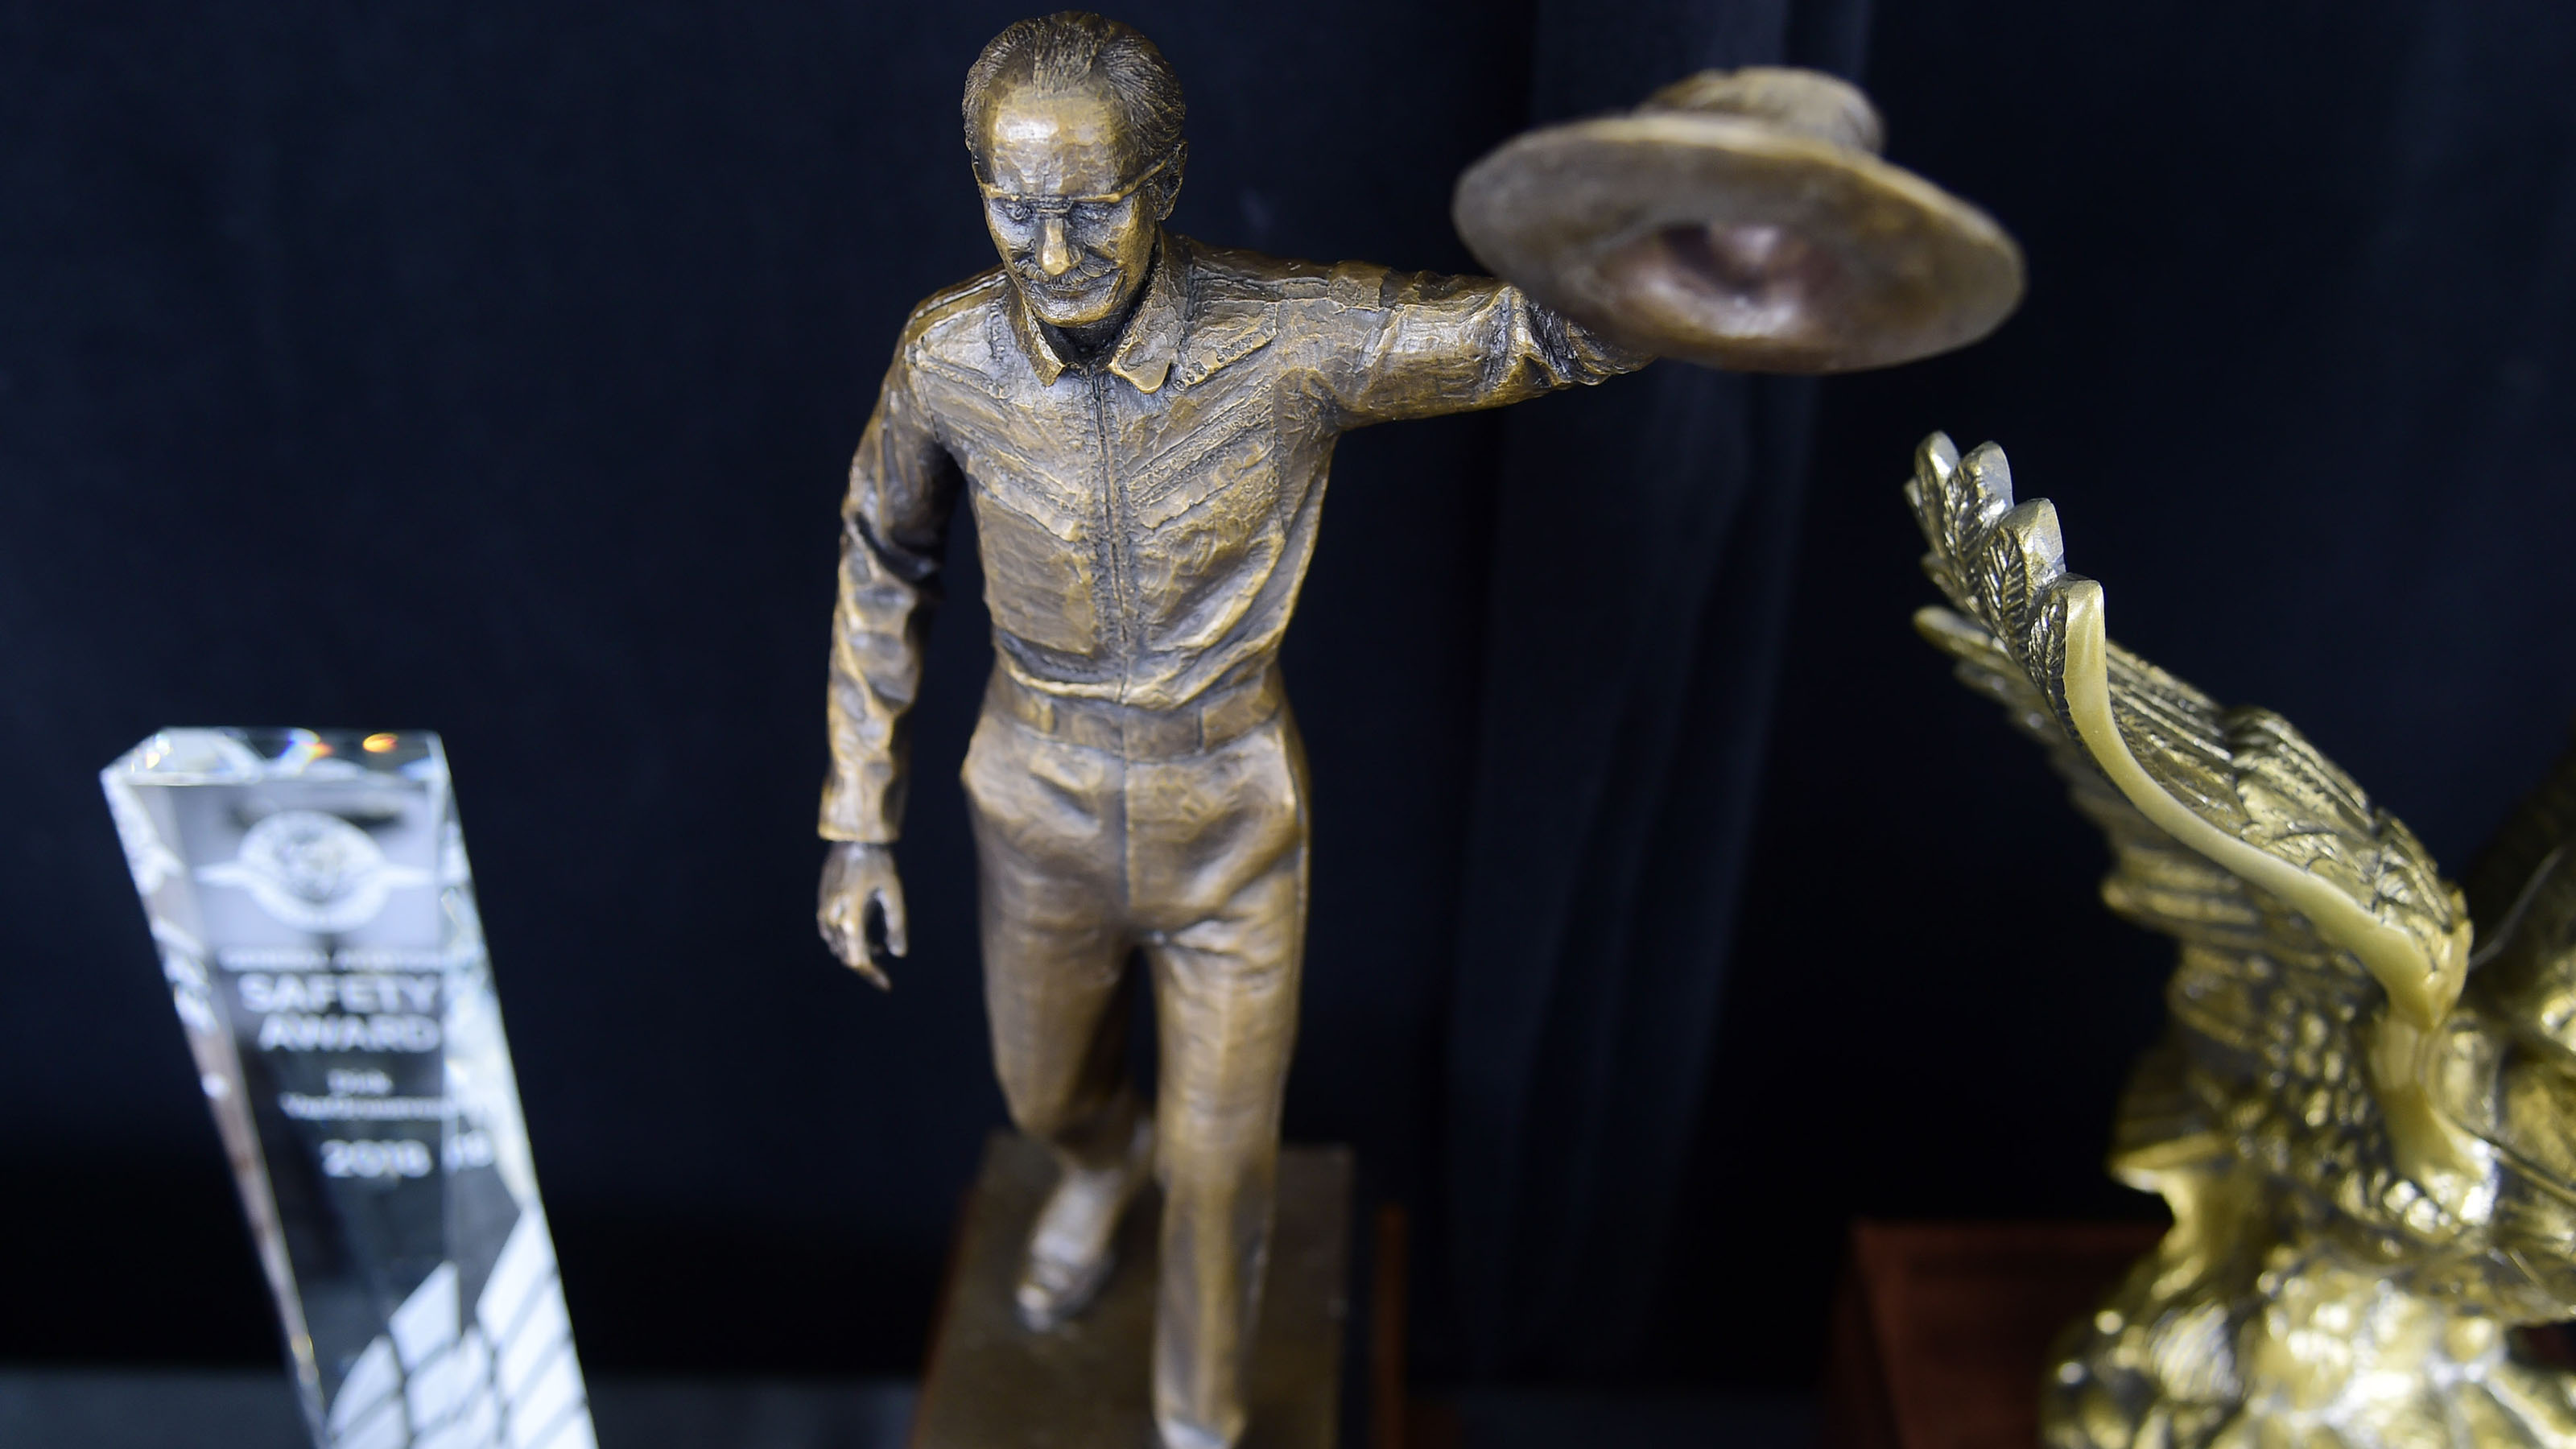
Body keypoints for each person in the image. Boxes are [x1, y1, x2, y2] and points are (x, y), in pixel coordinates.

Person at [812, 13, 1641, 1447]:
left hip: (1229, 817)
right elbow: (884, 554)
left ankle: (1201, 1424)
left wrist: (1691, 272)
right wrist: (855, 818)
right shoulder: (946, 358)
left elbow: (1531, 334)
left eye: (1091, 208)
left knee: (1223, 1168)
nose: (1052, 252)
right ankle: (1094, 1165)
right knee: (1045, 1098)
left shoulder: (1293, 336)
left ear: (1170, 181)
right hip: (1037, 800)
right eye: (1016, 207)